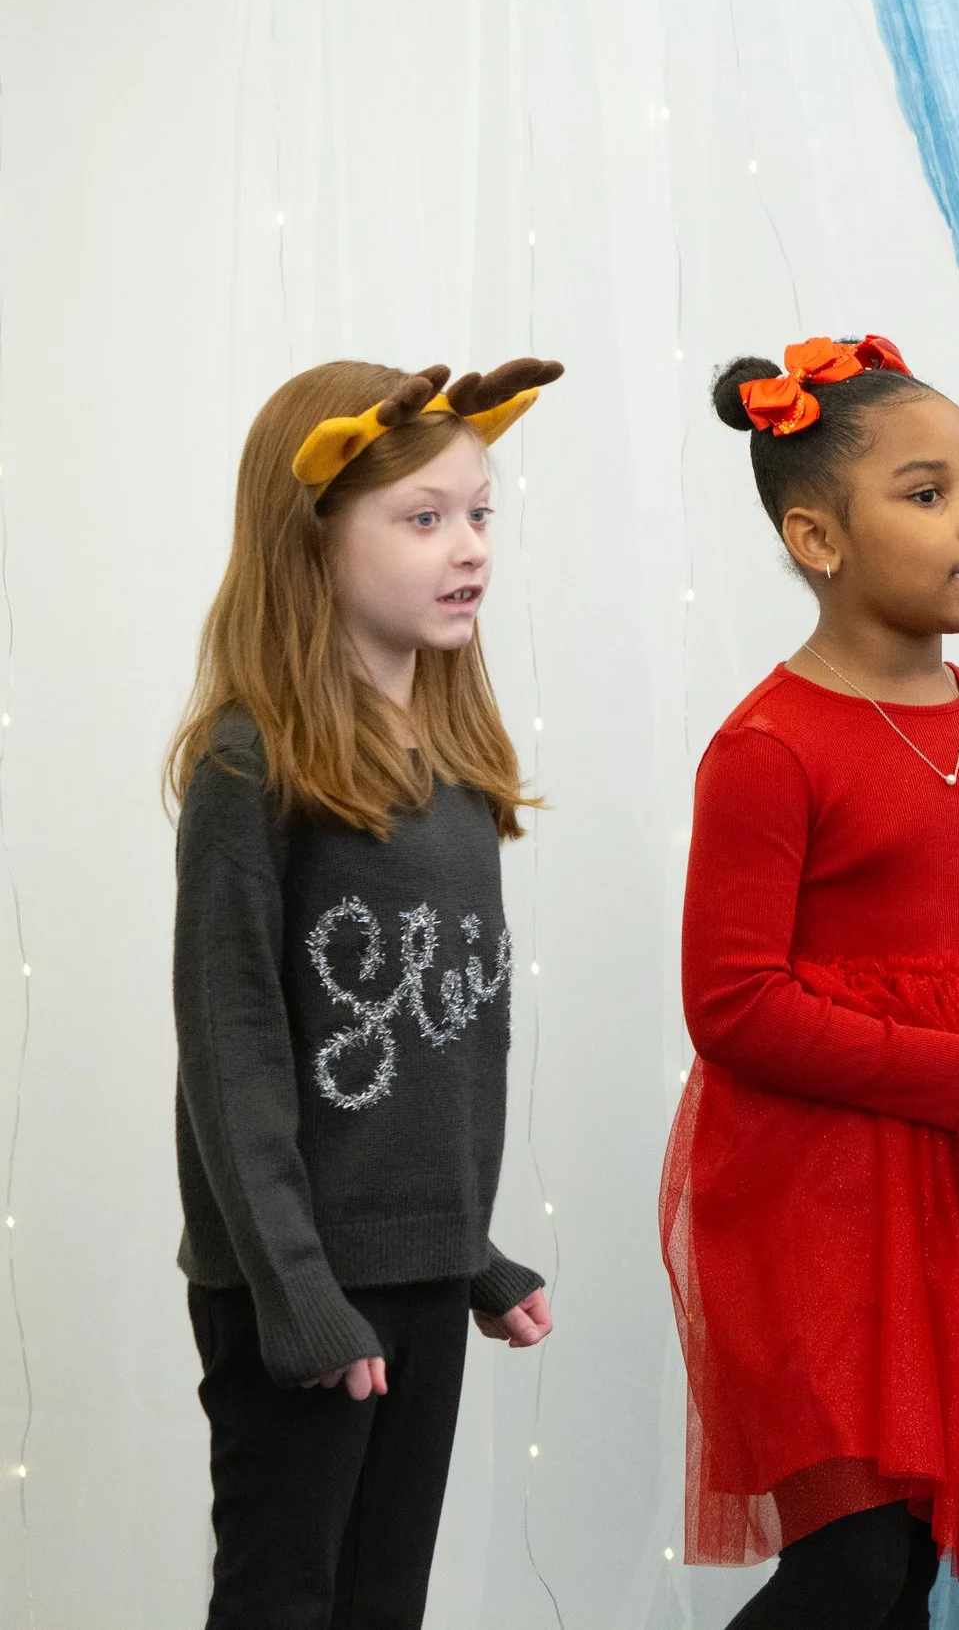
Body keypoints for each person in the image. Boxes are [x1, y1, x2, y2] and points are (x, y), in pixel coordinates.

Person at [664, 336, 959, 1629]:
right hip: (814, 1206)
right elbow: (732, 1003)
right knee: (849, 1565)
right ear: (816, 537)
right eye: (926, 493)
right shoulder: (766, 745)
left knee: (901, 1572)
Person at [168, 356, 563, 1628]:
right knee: (287, 1599)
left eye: (479, 513)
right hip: (296, 1290)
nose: (469, 549)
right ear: (316, 532)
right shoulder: (253, 765)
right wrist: (298, 1295)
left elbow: (435, 1040)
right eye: (423, 516)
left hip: (414, 1277)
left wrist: (471, 1254)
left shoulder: (453, 764)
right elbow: (235, 1056)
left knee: (384, 1600)